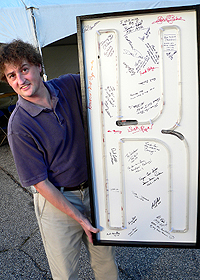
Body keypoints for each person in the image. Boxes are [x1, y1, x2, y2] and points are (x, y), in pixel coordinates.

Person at [0, 40, 119, 280]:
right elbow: (40, 183)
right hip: (57, 199)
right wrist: (79, 217)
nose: (20, 80)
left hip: (94, 191)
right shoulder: (19, 126)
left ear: (38, 66)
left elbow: (105, 78)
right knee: (66, 273)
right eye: (11, 76)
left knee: (106, 263)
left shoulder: (69, 85)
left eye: (24, 69)